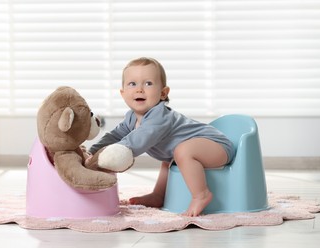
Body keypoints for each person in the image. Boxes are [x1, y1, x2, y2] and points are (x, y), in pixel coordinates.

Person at [89, 57, 235, 217]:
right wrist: (94, 152)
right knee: (169, 162)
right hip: (201, 148)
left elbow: (141, 137)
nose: (139, 89)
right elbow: (115, 135)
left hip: (217, 146)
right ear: (123, 94)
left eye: (148, 83)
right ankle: (159, 195)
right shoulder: (131, 118)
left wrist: (118, 151)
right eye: (132, 84)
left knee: (182, 151)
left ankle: (201, 195)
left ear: (163, 93)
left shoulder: (159, 116)